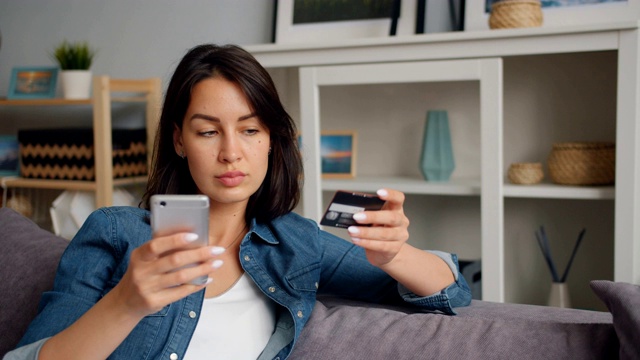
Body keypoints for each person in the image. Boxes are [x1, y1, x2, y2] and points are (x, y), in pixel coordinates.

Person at [5, 44, 471, 360]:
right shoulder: (116, 232)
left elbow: (450, 289)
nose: (231, 151)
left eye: (250, 130)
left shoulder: (295, 243)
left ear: (271, 140)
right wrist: (127, 302)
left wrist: (394, 253)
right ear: (180, 141)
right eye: (208, 131)